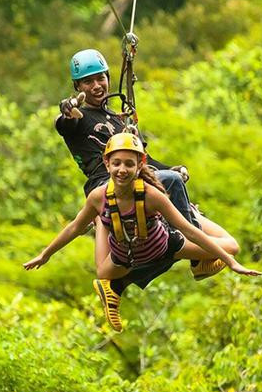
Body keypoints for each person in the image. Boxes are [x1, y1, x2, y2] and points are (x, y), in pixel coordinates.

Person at [54, 48, 229, 328]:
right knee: (170, 195)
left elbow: (143, 162)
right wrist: (68, 109)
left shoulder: (118, 120)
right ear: (78, 87)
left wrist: (173, 167)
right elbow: (65, 124)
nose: (96, 86)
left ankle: (119, 285)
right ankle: (195, 256)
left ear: (108, 78)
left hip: (134, 180)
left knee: (166, 228)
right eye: (87, 82)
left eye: (100, 78)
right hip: (109, 183)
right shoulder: (79, 118)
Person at [23, 133, 262, 331]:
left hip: (167, 247)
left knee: (231, 245)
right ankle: (103, 223)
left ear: (141, 165)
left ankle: (195, 216)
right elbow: (74, 227)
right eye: (116, 163)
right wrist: (46, 254)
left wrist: (230, 262)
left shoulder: (152, 196)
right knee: (102, 271)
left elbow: (187, 229)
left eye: (129, 164)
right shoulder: (98, 197)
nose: (122, 170)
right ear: (107, 164)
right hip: (124, 258)